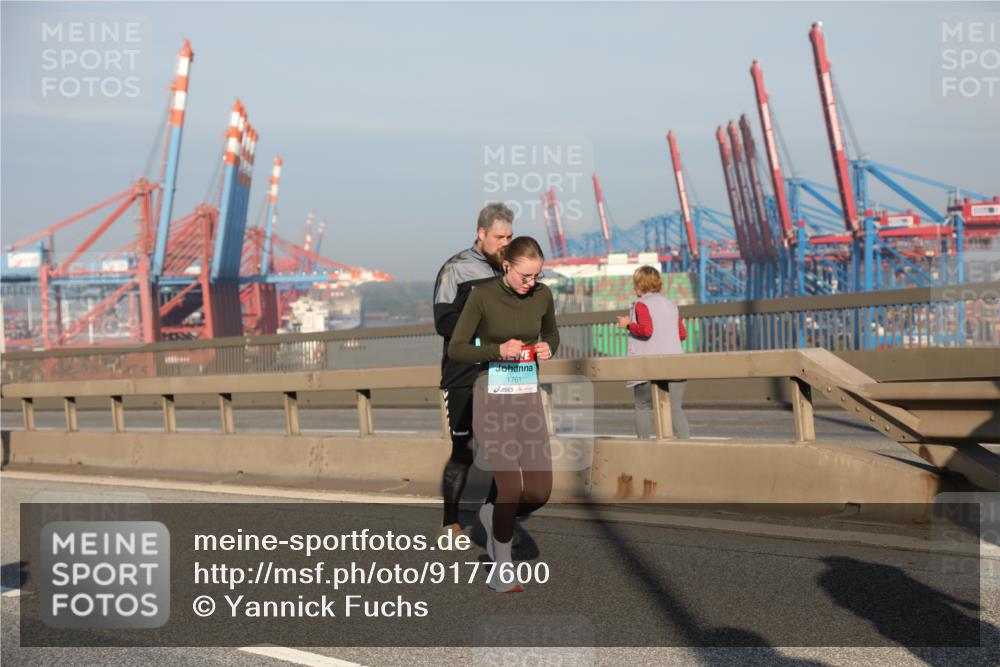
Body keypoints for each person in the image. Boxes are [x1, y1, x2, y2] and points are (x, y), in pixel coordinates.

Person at [448, 236, 559, 593]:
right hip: (492, 396)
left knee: (539, 491)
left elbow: (553, 333)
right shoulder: (482, 297)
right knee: (510, 485)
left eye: (537, 275)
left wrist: (547, 347)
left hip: (527, 398)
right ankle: (502, 568)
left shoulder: (542, 295)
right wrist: (497, 349)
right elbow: (458, 348)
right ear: (507, 266)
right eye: (525, 276)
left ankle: (490, 512)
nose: (532, 283)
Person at [432, 203, 513, 538]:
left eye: (510, 236)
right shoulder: (456, 269)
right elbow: (443, 321)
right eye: (499, 236)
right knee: (463, 451)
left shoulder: (508, 269)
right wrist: (484, 335)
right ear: (481, 233)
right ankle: (451, 523)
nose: (505, 242)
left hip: (502, 373)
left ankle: (493, 517)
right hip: (463, 373)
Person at [616, 265, 690, 439]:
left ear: (640, 287)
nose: (634, 288)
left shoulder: (641, 305)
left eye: (635, 285)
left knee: (643, 407)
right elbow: (682, 334)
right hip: (676, 365)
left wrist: (627, 324)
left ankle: (644, 448)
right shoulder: (672, 305)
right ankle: (687, 447)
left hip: (648, 368)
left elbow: (646, 330)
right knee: (674, 408)